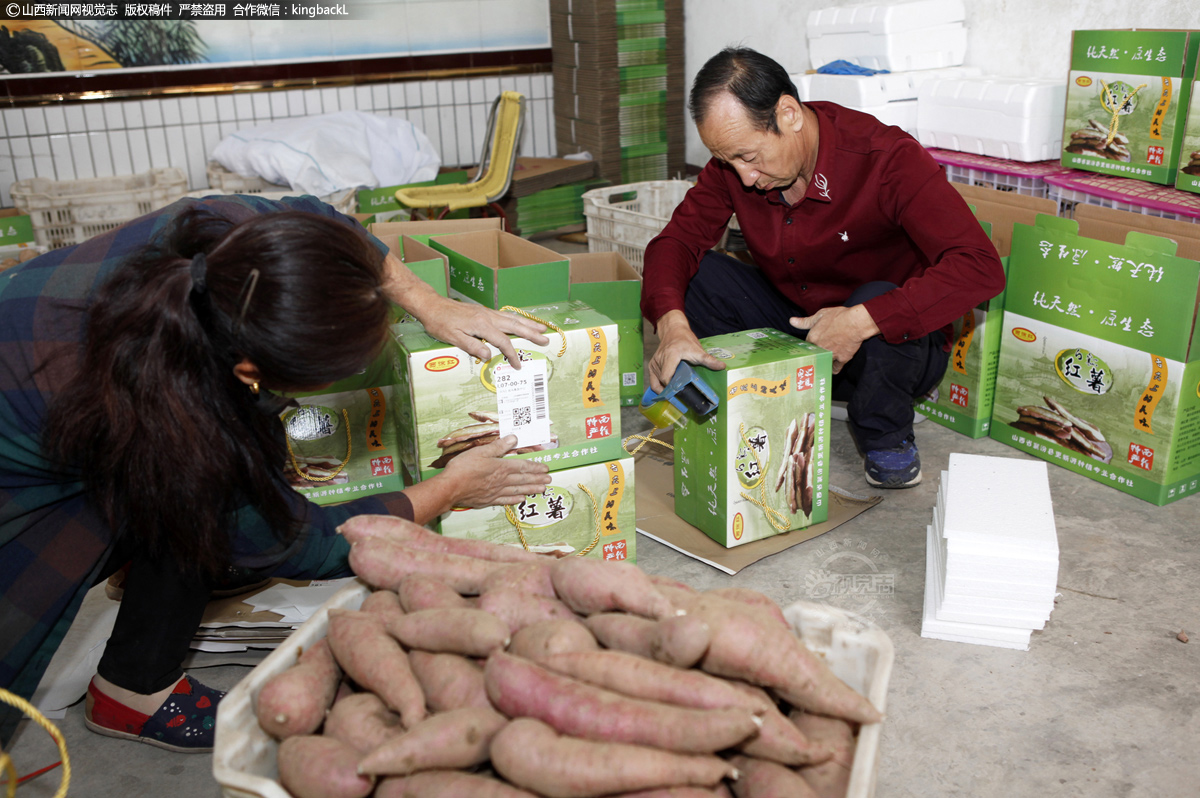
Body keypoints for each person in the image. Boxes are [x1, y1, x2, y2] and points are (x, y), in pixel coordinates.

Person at [0, 193, 551, 751]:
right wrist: (452, 488)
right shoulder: (168, 421)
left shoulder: (238, 237)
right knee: (200, 511)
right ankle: (134, 695)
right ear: (250, 370)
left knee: (212, 502)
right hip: (21, 434)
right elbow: (300, 541)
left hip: (27, 319)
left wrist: (427, 301)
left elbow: (326, 220)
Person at [641, 47, 1005, 488]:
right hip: (799, 322)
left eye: (750, 157)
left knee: (877, 298)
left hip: (891, 355)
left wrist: (858, 322)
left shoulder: (886, 158)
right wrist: (672, 326)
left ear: (789, 113)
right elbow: (676, 242)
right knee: (699, 277)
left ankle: (885, 434)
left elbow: (980, 267)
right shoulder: (735, 167)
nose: (744, 177)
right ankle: (763, 393)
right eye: (727, 161)